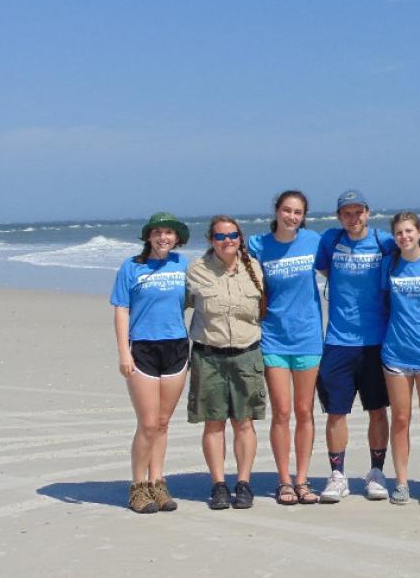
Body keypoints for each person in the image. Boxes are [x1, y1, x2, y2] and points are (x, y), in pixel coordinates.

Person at [315, 189, 395, 502]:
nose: (354, 218)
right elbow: (323, 270)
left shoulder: (384, 242)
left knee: (378, 409)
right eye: (347, 213)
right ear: (339, 217)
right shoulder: (330, 241)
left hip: (376, 341)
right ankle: (337, 475)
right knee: (336, 412)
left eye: (358, 211)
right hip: (337, 340)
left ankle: (376, 472)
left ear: (368, 212)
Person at [110, 212, 190, 514]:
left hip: (177, 347)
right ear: (149, 237)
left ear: (177, 238)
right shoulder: (132, 267)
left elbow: (199, 298)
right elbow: (121, 310)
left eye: (169, 233)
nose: (163, 238)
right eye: (157, 233)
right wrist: (123, 352)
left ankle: (158, 482)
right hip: (142, 348)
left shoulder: (183, 265)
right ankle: (138, 487)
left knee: (163, 422)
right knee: (146, 423)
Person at [247, 190, 322, 505]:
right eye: (287, 210)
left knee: (304, 411)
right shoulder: (257, 245)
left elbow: (344, 272)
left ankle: (303, 479)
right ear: (276, 211)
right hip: (273, 337)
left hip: (308, 336)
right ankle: (283, 480)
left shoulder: (315, 242)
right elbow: (228, 263)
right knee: (282, 411)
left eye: (298, 212)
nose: (292, 216)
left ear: (304, 216)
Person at [186, 215, 266, 510]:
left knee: (244, 423)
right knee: (213, 423)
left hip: (247, 354)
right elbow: (174, 305)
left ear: (240, 237)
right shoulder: (196, 270)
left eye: (233, 235)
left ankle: (243, 483)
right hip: (209, 355)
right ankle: (218, 484)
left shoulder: (254, 268)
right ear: (211, 240)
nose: (228, 241)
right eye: (220, 236)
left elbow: (266, 307)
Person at [380, 212, 420, 506]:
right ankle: (402, 481)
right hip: (396, 352)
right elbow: (383, 303)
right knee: (401, 418)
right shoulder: (389, 264)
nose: (404, 237)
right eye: (399, 233)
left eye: (409, 231)